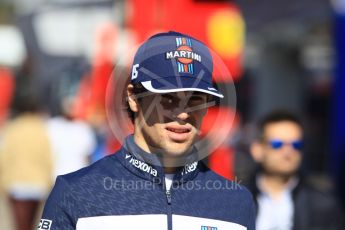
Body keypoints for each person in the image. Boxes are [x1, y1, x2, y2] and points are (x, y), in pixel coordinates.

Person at [38, 31, 256, 230]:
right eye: (167, 98)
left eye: (195, 100)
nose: (182, 114)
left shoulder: (236, 202)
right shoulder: (74, 192)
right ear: (133, 98)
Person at [247, 110, 344, 230]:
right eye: (277, 144)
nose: (288, 152)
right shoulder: (236, 199)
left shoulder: (323, 205)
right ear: (257, 150)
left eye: (296, 145)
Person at [0, 87, 53, 230]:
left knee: (20, 225)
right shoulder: (41, 128)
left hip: (16, 182)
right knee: (31, 224)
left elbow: (4, 157)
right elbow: (48, 157)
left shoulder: (12, 129)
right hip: (38, 183)